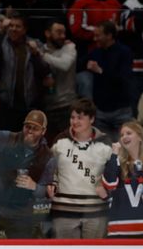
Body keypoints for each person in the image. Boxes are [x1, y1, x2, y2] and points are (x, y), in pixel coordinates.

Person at [0, 98, 54, 238]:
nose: (29, 131)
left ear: (43, 131)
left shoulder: (48, 157)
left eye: (34, 128)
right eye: (27, 126)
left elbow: (47, 191)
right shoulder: (8, 138)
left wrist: (34, 186)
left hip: (20, 213)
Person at [48, 98, 112, 238]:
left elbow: (113, 174)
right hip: (63, 210)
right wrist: (51, 183)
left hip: (96, 211)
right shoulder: (60, 141)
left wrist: (107, 191)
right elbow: (49, 170)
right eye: (72, 117)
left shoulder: (106, 143)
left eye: (80, 118)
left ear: (92, 119)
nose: (75, 121)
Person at [99, 121, 143, 237]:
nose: (124, 136)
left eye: (129, 133)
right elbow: (110, 185)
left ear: (140, 137)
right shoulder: (115, 163)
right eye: (122, 135)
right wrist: (114, 155)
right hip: (120, 231)